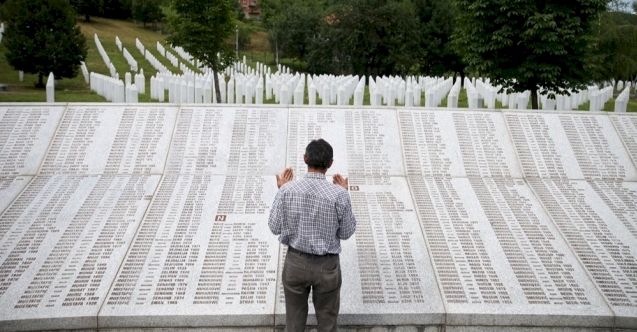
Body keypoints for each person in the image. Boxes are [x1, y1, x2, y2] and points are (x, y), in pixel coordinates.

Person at [268, 139, 356, 332]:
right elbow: (347, 232)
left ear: (305, 158)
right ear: (330, 164)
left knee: (293, 324)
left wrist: (282, 189)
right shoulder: (339, 195)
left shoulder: (287, 190)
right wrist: (344, 193)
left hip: (295, 263)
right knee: (328, 324)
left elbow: (274, 227)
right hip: (327, 266)